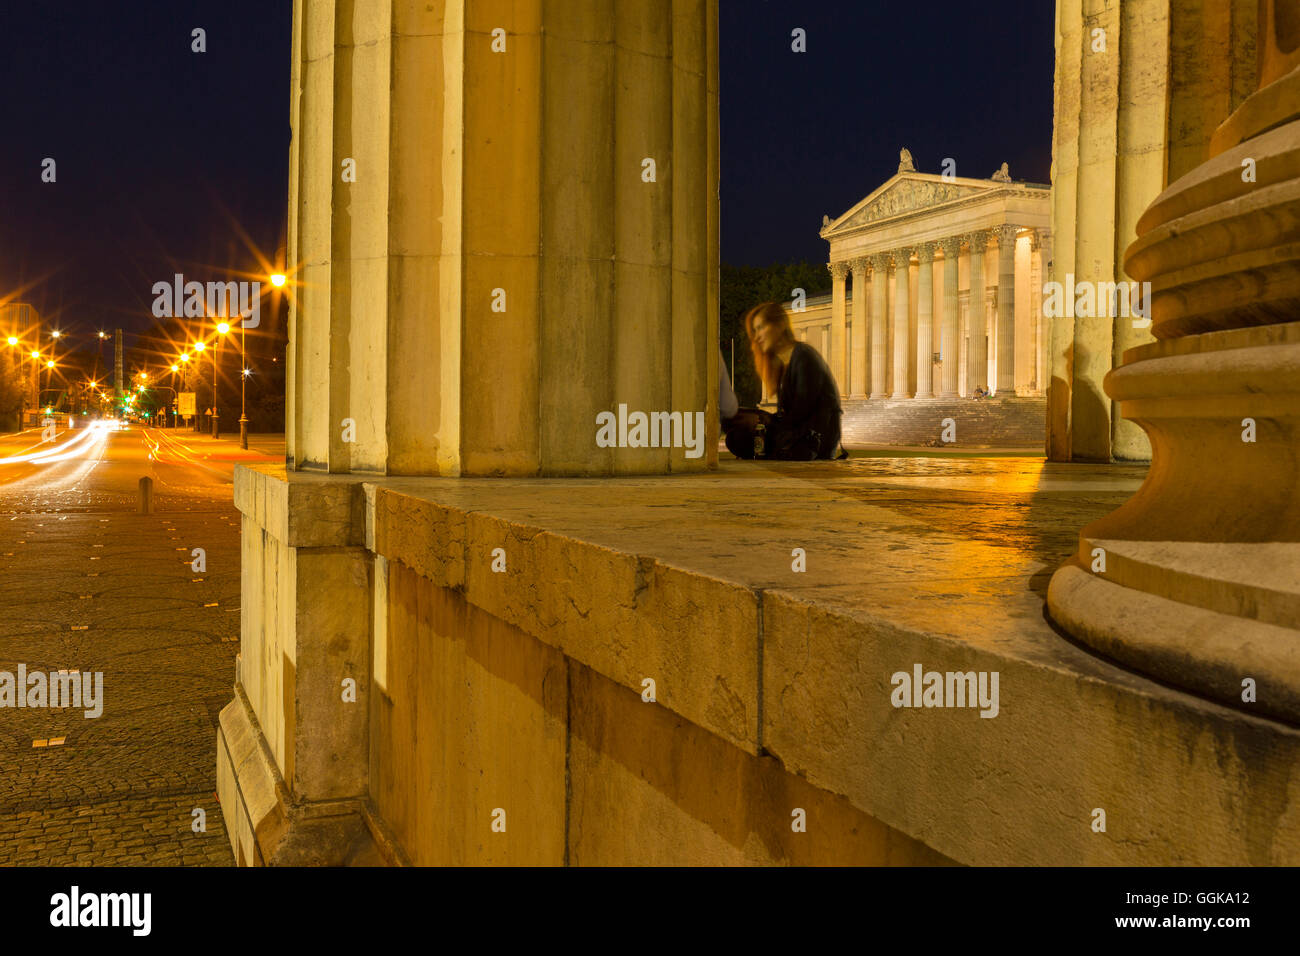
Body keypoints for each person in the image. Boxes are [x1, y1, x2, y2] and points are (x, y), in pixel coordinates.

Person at [724, 302, 847, 460]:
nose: (757, 337)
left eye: (761, 327)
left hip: (813, 440)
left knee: (739, 435)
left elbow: (801, 411)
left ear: (780, 325)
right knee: (735, 423)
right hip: (798, 433)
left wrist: (766, 421)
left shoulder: (804, 357)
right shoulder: (784, 363)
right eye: (754, 331)